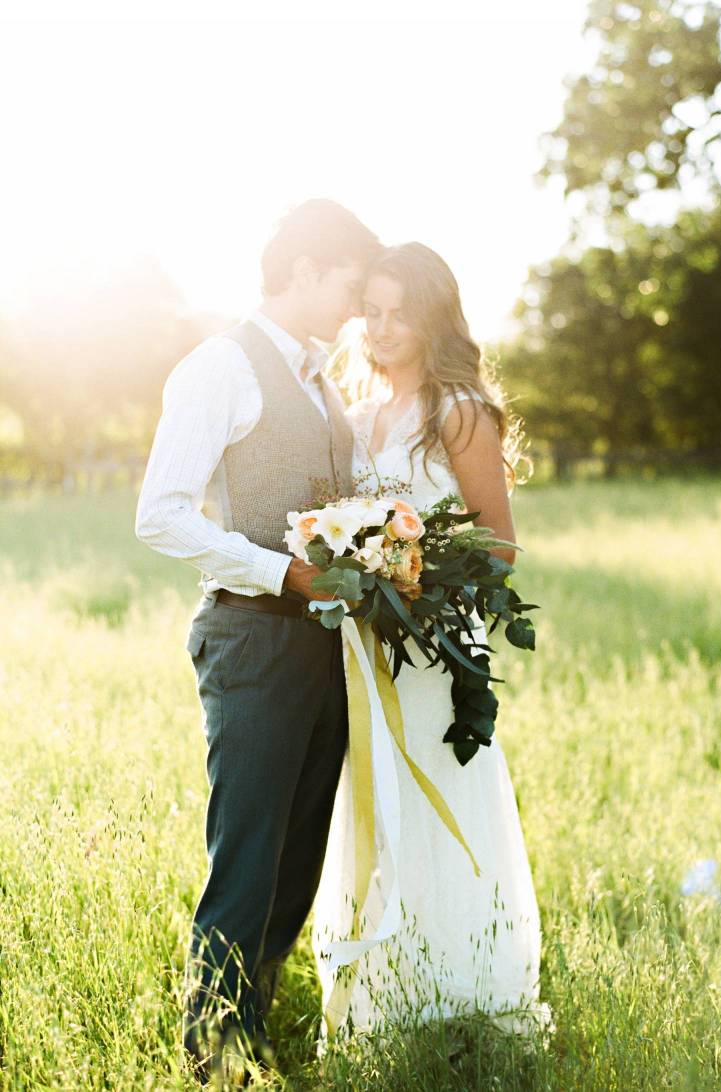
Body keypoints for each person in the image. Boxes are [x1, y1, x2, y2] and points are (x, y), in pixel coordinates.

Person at [134, 199, 382, 1078]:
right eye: (352, 283)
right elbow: (159, 515)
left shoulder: (325, 381)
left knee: (298, 854)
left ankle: (253, 1031)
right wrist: (284, 573)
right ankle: (214, 1051)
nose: (360, 305)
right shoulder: (220, 366)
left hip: (328, 650)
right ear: (307, 268)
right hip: (253, 639)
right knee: (248, 853)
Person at [312, 242, 551, 1040]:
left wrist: (413, 571)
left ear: (431, 315)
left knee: (441, 790)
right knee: (379, 800)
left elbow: (500, 544)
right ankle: (383, 989)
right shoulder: (352, 414)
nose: (380, 329)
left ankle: (462, 987)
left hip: (437, 647)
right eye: (370, 313)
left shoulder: (458, 409)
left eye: (398, 313)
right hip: (365, 649)